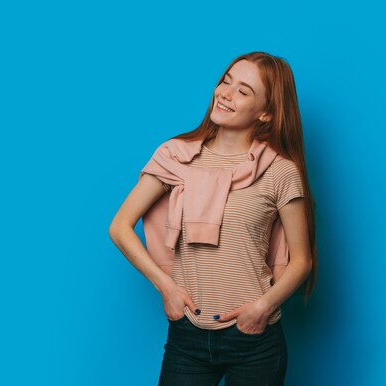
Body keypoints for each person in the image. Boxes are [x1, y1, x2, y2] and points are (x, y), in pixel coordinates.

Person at [108, 51, 317, 386]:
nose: (225, 93)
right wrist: (167, 288)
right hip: (187, 337)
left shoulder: (280, 171)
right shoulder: (174, 156)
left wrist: (261, 308)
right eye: (226, 81)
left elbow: (302, 261)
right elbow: (119, 227)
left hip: (255, 340)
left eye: (243, 91)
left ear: (266, 113)